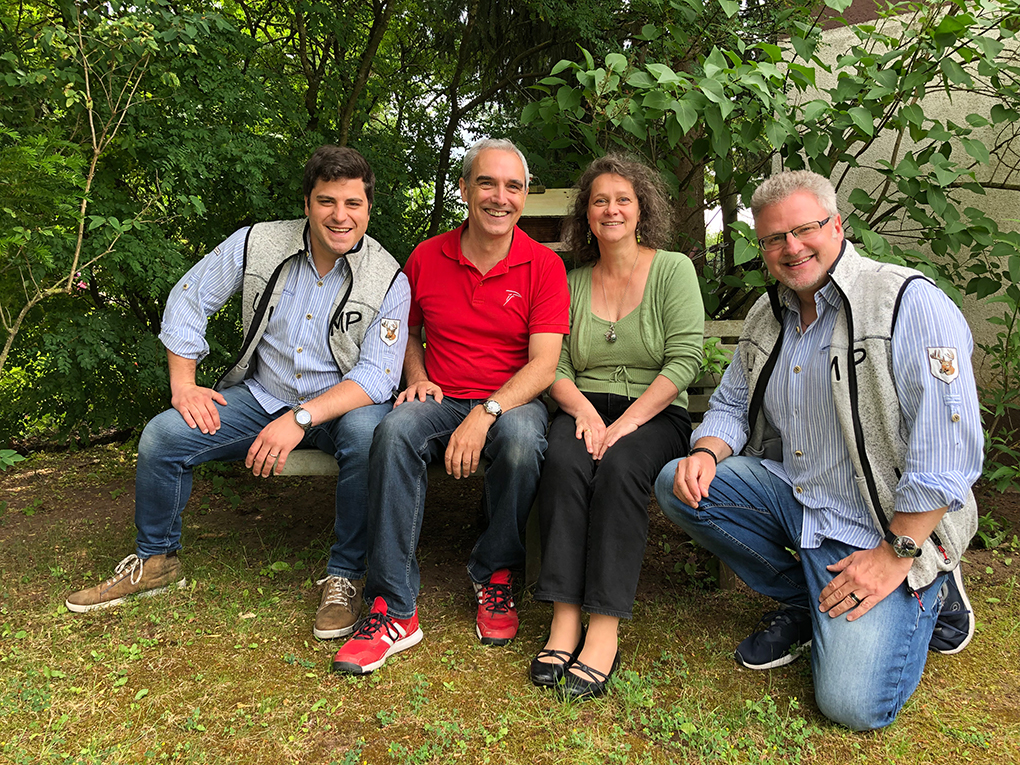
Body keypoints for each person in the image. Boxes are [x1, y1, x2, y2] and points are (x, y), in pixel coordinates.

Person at [654, 170, 982, 730]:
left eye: (805, 229)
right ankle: (810, 599)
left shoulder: (905, 302)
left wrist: (893, 556)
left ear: (837, 224)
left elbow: (946, 451)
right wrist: (707, 454)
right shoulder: (769, 314)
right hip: (802, 498)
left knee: (852, 706)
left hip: (886, 526)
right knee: (677, 484)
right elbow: (731, 405)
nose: (791, 247)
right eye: (774, 239)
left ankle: (936, 586)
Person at [66, 146, 411, 645]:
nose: (340, 216)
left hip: (343, 404)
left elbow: (378, 378)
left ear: (369, 208)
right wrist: (183, 384)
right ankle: (157, 559)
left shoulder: (389, 276)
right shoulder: (257, 243)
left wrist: (301, 419)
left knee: (366, 436)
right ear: (307, 203)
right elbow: (190, 295)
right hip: (262, 396)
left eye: (353, 204)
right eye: (327, 201)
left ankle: (345, 577)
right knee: (164, 436)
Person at [330, 138, 570, 675]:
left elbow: (544, 366)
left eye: (513, 186)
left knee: (522, 443)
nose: (499, 197)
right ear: (465, 189)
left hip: (510, 399)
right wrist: (415, 377)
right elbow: (407, 333)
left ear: (525, 197)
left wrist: (486, 413)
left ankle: (496, 573)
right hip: (439, 393)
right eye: (487, 183)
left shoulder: (544, 266)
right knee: (392, 432)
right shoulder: (426, 256)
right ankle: (393, 607)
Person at [528, 155, 704, 700]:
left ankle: (603, 626)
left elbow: (685, 360)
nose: (611, 209)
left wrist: (623, 424)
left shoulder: (672, 269)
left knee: (623, 467)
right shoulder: (570, 280)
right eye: (599, 200)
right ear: (586, 212)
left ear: (642, 207)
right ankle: (564, 619)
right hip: (582, 405)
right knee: (562, 461)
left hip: (653, 412)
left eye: (622, 199)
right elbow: (554, 364)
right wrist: (583, 413)